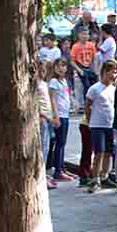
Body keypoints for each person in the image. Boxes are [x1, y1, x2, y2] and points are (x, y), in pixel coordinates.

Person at [84, 62, 117, 192]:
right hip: (97, 125)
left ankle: (105, 176)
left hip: (110, 125)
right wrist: (90, 121)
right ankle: (95, 179)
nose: (114, 74)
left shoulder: (114, 88)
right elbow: (88, 105)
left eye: (116, 72)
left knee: (109, 152)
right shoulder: (94, 88)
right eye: (112, 71)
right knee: (99, 152)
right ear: (104, 72)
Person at [46, 59, 75, 182]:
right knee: (59, 143)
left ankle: (62, 168)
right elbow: (52, 99)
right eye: (58, 66)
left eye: (63, 66)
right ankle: (58, 170)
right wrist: (56, 116)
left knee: (63, 143)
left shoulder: (64, 81)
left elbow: (67, 96)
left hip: (66, 114)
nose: (61, 68)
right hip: (60, 115)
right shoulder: (53, 81)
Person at [37, 60, 57, 190]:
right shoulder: (34, 85)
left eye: (44, 70)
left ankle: (44, 175)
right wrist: (46, 117)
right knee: (43, 149)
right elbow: (35, 105)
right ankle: (40, 178)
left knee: (47, 147)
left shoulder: (44, 83)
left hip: (48, 119)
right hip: (42, 119)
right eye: (40, 69)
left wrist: (54, 116)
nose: (42, 72)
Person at [71, 27, 96, 108]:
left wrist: (94, 68)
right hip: (81, 67)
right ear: (79, 35)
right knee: (86, 86)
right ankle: (86, 105)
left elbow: (94, 58)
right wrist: (79, 70)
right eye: (83, 34)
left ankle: (93, 103)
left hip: (90, 67)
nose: (85, 36)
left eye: (87, 34)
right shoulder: (75, 46)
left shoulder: (91, 45)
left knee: (93, 85)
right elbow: (72, 61)